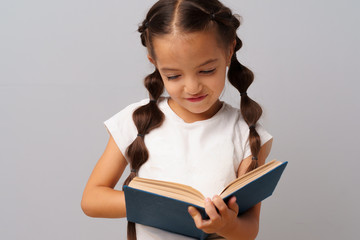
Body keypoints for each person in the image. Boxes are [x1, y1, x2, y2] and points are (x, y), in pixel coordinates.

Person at [81, 0, 273, 239]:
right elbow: (91, 199)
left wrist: (224, 225)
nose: (192, 87)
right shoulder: (135, 121)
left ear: (229, 50)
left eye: (207, 70)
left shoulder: (247, 133)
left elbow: (249, 229)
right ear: (155, 63)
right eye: (173, 75)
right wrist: (156, 204)